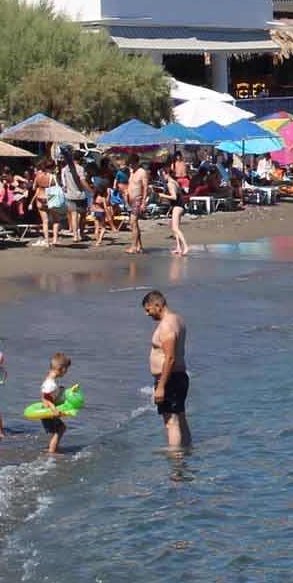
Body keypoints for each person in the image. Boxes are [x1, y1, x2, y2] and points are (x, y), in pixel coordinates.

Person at [142, 290, 188, 449]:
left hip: (169, 378)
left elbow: (170, 358)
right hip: (179, 376)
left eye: (148, 310)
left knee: (171, 423)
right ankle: (185, 456)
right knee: (180, 419)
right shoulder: (178, 320)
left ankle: (176, 466)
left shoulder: (167, 325)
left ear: (157, 305)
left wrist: (161, 386)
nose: (147, 314)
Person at [39, 352, 75, 455]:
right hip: (49, 412)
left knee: (59, 429)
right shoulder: (50, 383)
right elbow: (46, 397)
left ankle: (52, 447)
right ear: (61, 369)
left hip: (48, 411)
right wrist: (54, 409)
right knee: (60, 429)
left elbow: (49, 395)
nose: (66, 373)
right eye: (66, 370)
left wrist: (59, 391)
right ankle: (52, 451)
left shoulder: (50, 380)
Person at [58, 151, 88, 242]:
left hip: (69, 195)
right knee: (83, 215)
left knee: (73, 215)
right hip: (80, 195)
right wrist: (90, 189)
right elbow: (82, 181)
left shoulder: (66, 168)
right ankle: (81, 234)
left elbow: (64, 182)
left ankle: (75, 235)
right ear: (80, 159)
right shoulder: (80, 168)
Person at [124, 164, 150, 254]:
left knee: (133, 222)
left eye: (131, 162)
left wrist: (144, 202)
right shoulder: (131, 172)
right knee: (135, 224)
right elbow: (130, 184)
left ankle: (133, 247)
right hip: (130, 200)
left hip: (137, 200)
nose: (130, 165)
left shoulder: (142, 172)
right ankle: (139, 246)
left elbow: (145, 188)